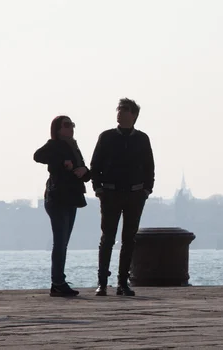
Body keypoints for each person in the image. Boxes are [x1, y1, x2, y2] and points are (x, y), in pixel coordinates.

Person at [90, 98, 155, 296]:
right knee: (107, 238)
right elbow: (96, 164)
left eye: (125, 110)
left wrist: (146, 190)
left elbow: (149, 166)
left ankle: (122, 283)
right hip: (110, 193)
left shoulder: (142, 139)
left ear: (134, 115)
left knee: (129, 239)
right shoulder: (106, 137)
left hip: (135, 194)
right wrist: (98, 188)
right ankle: (102, 282)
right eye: (119, 109)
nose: (120, 112)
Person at [34, 115, 90, 297]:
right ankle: (58, 282)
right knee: (60, 241)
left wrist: (84, 171)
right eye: (67, 125)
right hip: (57, 198)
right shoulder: (54, 145)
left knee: (63, 242)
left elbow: (83, 171)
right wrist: (61, 163)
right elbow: (37, 156)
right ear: (57, 129)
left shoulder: (74, 147)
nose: (71, 127)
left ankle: (58, 281)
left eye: (72, 124)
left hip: (71, 198)